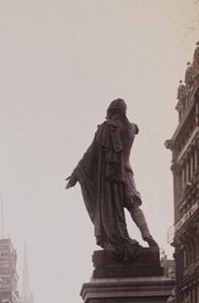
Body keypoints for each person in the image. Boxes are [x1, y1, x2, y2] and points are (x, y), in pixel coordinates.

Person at [66, 98, 158, 262]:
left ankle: (118, 238)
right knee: (133, 205)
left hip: (111, 177)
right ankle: (147, 234)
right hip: (127, 173)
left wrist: (76, 174)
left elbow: (91, 152)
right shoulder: (131, 128)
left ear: (111, 110)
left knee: (112, 210)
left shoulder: (106, 128)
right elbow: (137, 128)